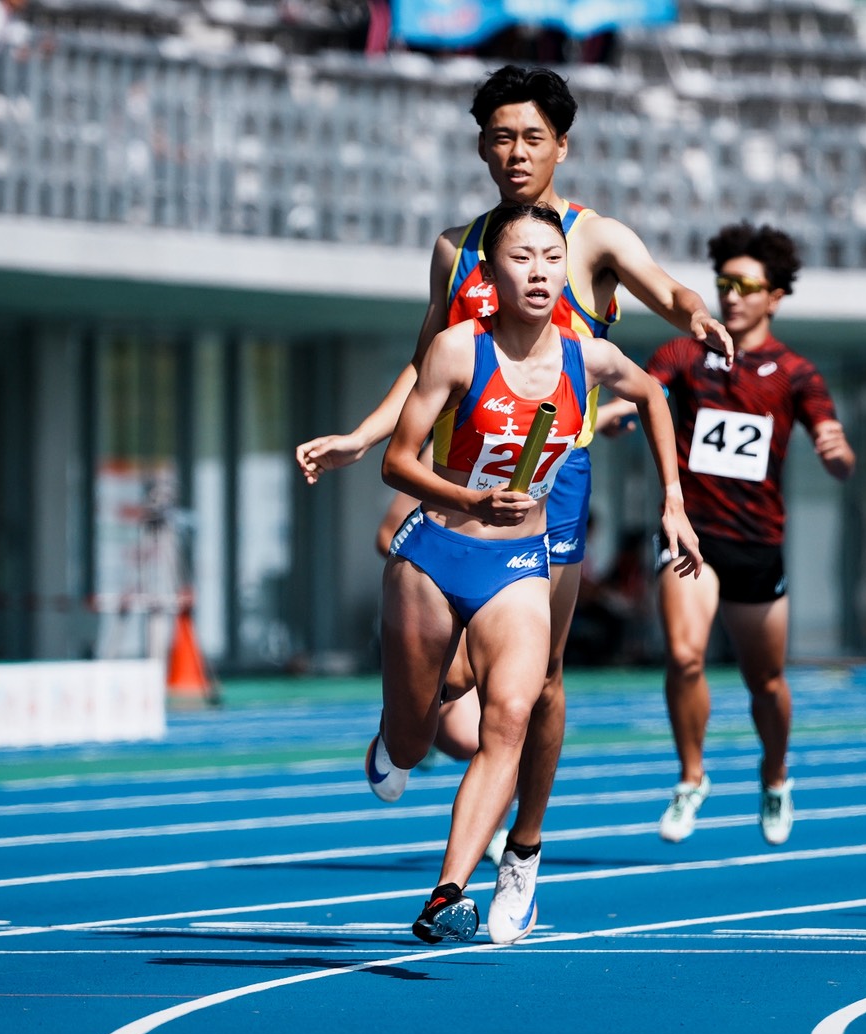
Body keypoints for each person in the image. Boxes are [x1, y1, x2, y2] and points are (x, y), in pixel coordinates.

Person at [297, 66, 731, 869]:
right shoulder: (456, 249)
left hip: (553, 484)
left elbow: (662, 287)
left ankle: (523, 848)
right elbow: (424, 362)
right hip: (460, 473)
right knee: (444, 672)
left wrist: (696, 315)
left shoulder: (590, 236)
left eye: (533, 137)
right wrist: (363, 437)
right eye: (501, 137)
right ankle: (408, 722)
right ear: (481, 148)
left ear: (561, 145)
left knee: (545, 677)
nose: (516, 152)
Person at [368, 202, 701, 944]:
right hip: (432, 553)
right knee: (416, 739)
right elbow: (397, 461)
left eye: (552, 260)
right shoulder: (458, 349)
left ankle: (446, 892)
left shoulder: (588, 359)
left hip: (519, 563)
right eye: (522, 259)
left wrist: (673, 502)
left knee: (510, 715)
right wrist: (471, 497)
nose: (541, 273)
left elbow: (652, 395)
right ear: (490, 274)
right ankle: (392, 740)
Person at [600, 223, 855, 846]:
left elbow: (839, 454)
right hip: (693, 536)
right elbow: (646, 396)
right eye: (724, 284)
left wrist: (835, 449)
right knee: (685, 655)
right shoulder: (682, 355)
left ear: (775, 296)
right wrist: (613, 414)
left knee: (764, 682)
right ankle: (691, 777)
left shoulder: (796, 373)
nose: (732, 296)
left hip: (758, 544)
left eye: (746, 286)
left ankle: (775, 774)